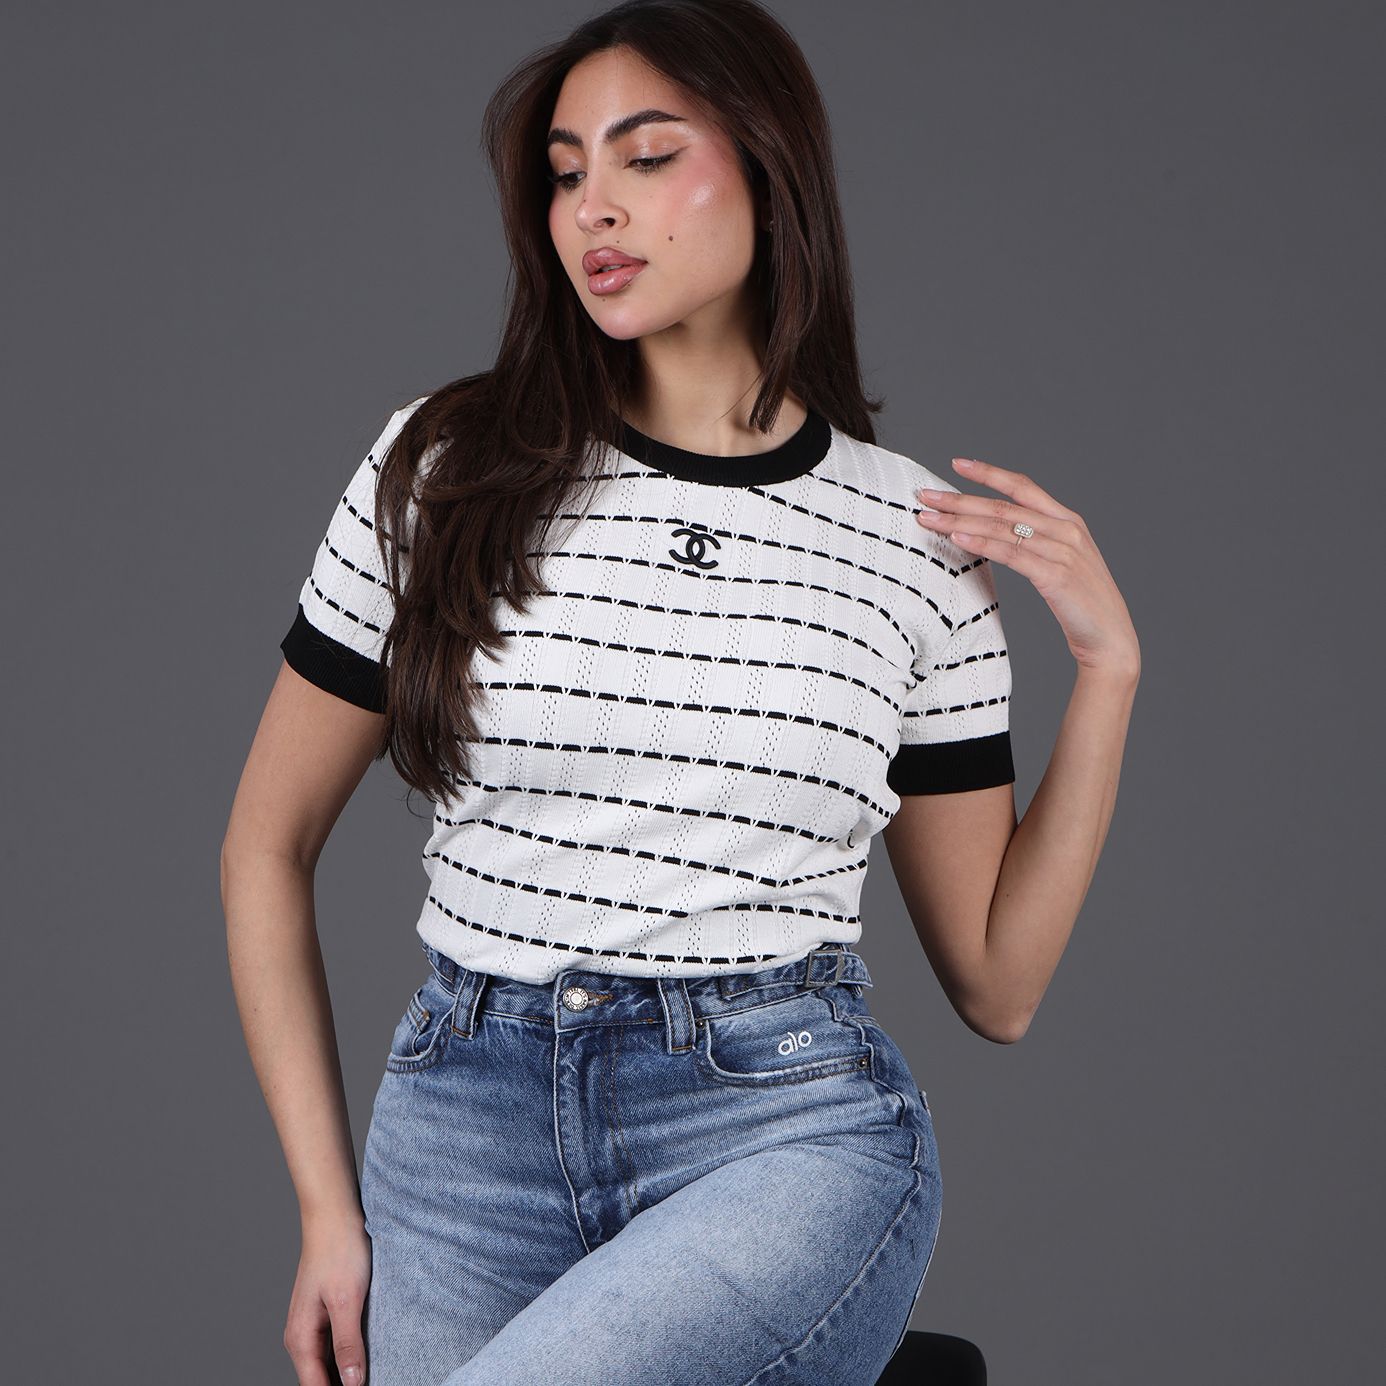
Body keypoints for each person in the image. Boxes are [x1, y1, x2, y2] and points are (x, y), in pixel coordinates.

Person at [220, 1, 1141, 1382]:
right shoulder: (446, 468)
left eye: (647, 158)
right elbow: (264, 845)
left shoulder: (909, 543)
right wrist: (322, 1210)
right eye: (565, 172)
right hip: (463, 1136)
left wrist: (1108, 674)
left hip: (776, 1124)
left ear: (770, 172)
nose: (594, 207)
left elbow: (998, 984)